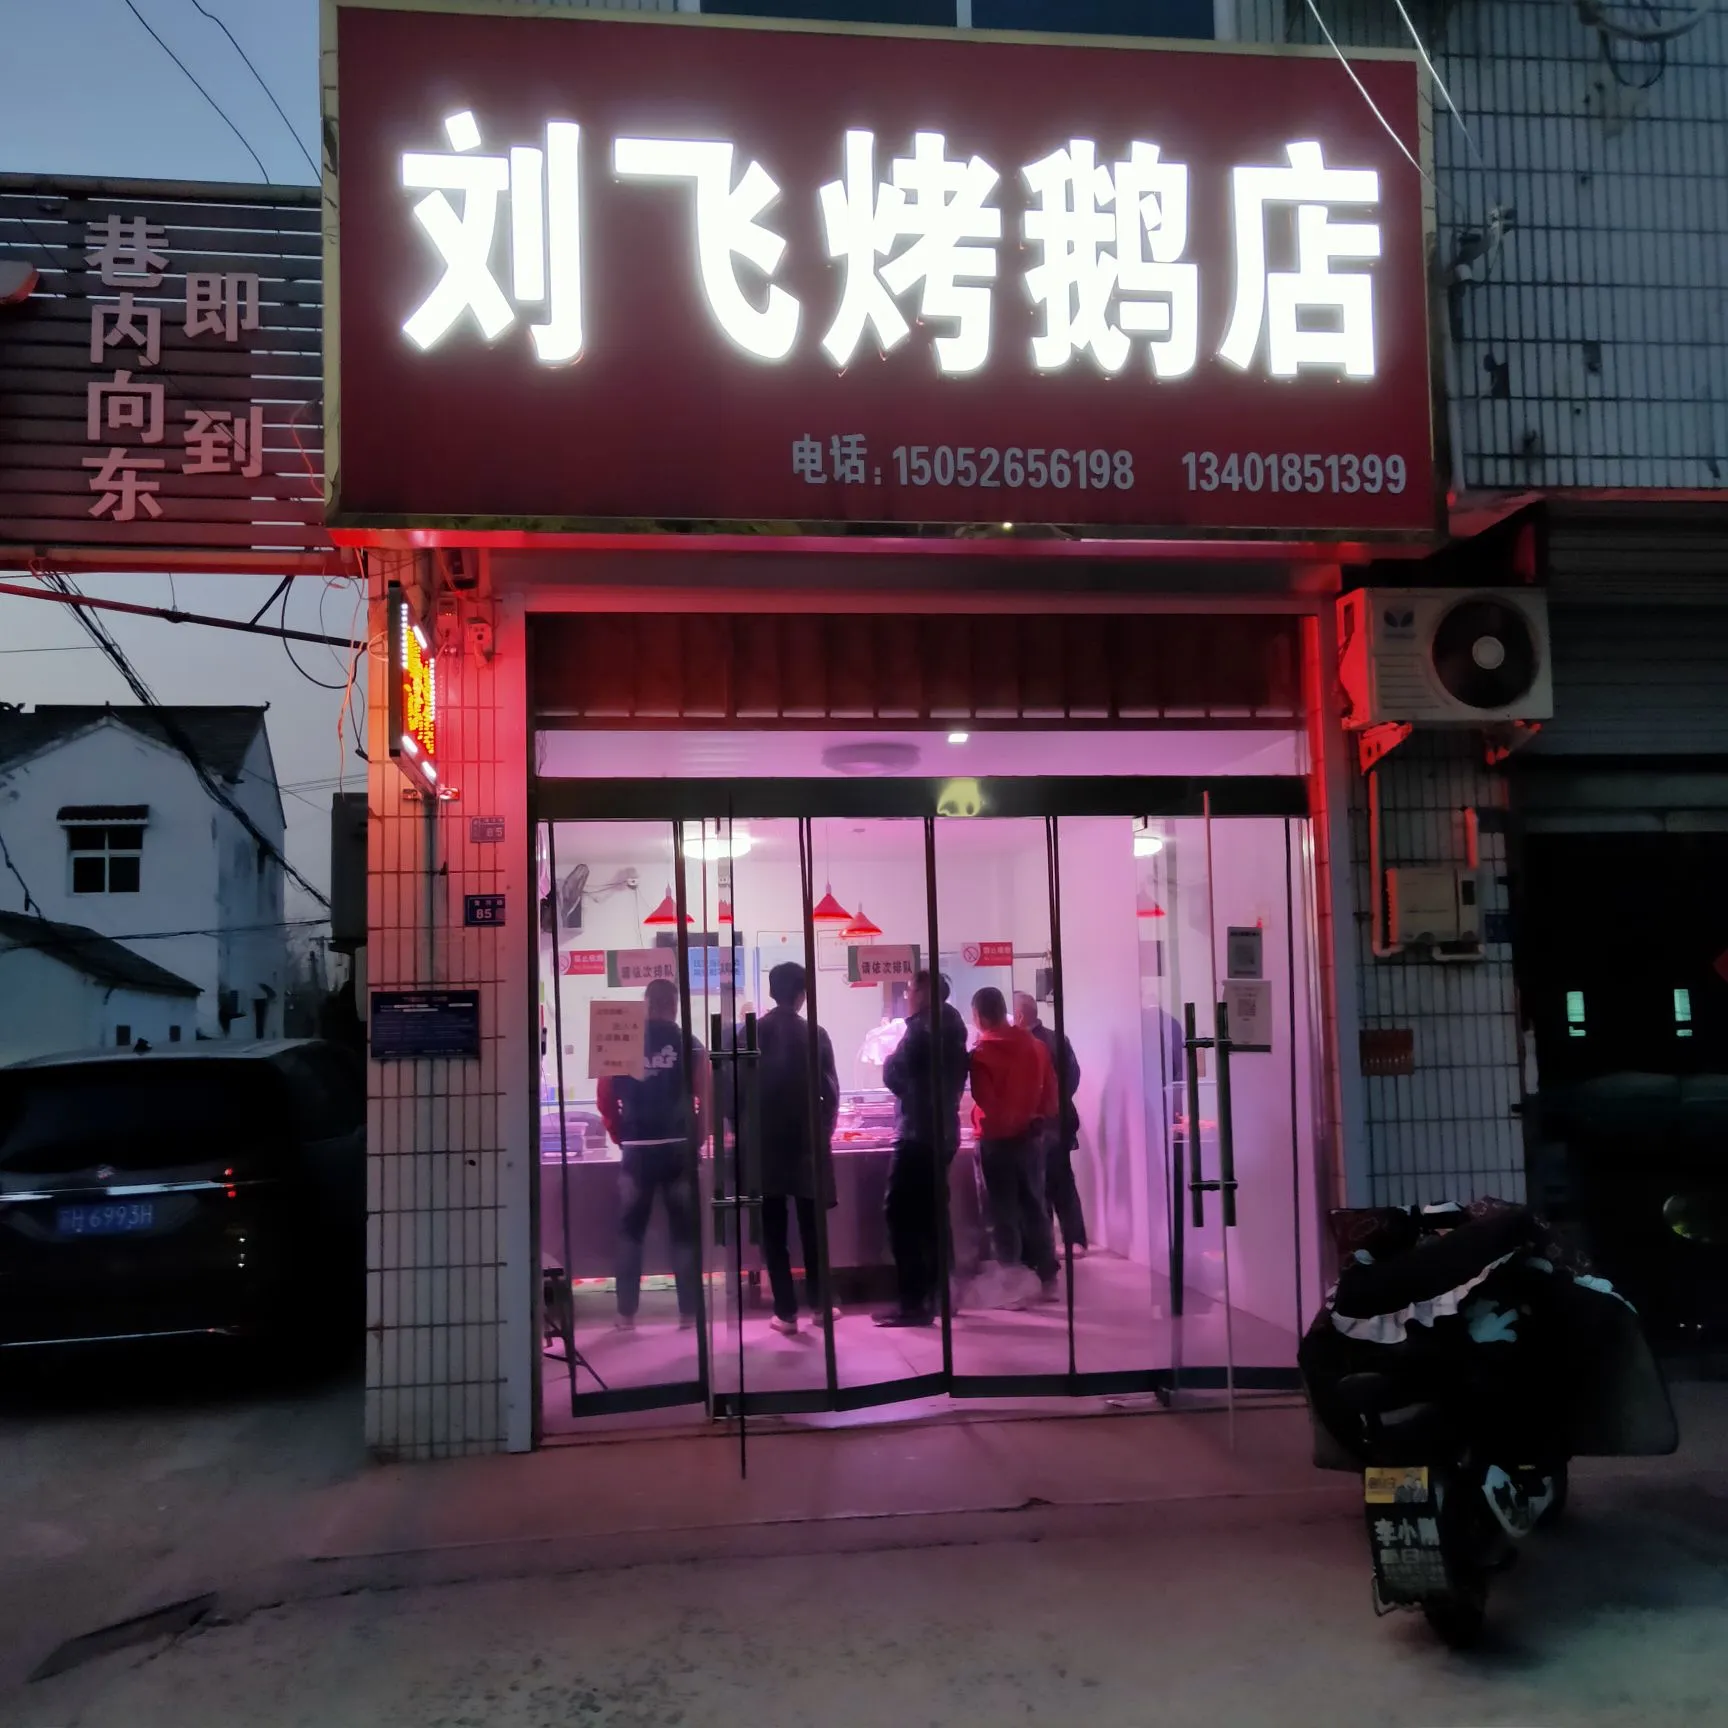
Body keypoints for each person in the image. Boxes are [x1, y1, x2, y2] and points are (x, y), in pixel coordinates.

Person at [596, 977, 708, 1331]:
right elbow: (706, 1095)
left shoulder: (622, 1038)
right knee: (684, 1233)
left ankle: (625, 1315)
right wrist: (698, 1137)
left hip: (637, 1150)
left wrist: (619, 1134)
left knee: (630, 1232)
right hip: (678, 1148)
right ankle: (689, 1314)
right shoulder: (691, 1044)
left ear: (646, 1004)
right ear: (674, 1006)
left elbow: (605, 1096)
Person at [877, 970, 969, 1327]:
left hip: (917, 1131)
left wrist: (891, 1064)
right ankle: (942, 1296)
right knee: (934, 1217)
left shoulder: (921, 1029)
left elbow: (893, 1073)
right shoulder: (954, 1025)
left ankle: (913, 1302)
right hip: (944, 1131)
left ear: (924, 993)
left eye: (910, 990)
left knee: (902, 1215)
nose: (907, 996)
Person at [755, 962, 841, 1336]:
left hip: (766, 1146)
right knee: (812, 1228)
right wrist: (823, 1132)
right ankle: (821, 1305)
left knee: (773, 1232)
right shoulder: (815, 1034)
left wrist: (742, 1132)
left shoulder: (751, 1033)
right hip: (807, 1144)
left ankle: (785, 1312)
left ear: (772, 992)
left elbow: (735, 1090)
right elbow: (831, 1093)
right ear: (802, 995)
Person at [968, 986, 1060, 1303]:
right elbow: (1051, 1095)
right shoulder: (1036, 1046)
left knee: (1001, 1214)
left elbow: (986, 1102)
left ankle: (1013, 1286)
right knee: (1035, 1208)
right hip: (1030, 1139)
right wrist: (1034, 1119)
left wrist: (1005, 1123)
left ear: (978, 1016)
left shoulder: (982, 1055)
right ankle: (1047, 1279)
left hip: (995, 1142)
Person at [1014, 991, 1087, 1257]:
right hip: (1062, 1121)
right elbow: (1074, 1076)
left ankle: (1045, 1245)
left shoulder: (1024, 1045)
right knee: (1063, 1181)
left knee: (1040, 1185)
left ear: (1019, 1016)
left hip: (1040, 1123)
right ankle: (1074, 1240)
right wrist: (1059, 1101)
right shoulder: (1058, 1039)